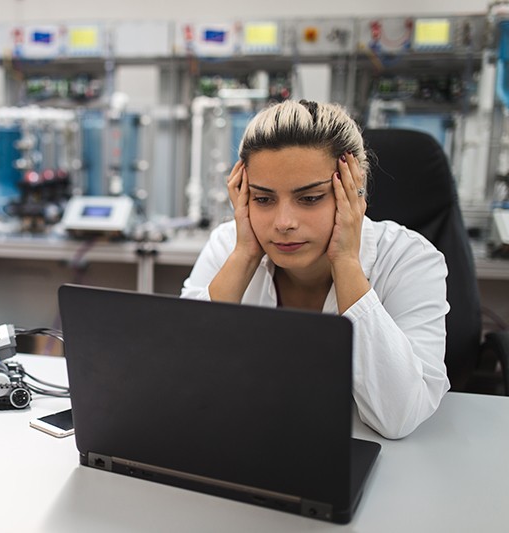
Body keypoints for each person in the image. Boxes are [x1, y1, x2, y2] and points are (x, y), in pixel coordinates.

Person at [181, 100, 450, 439]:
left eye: (309, 198)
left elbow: (399, 417)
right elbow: (181, 379)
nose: (283, 223)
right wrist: (245, 255)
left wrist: (347, 263)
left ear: (354, 188)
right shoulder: (229, 246)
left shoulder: (408, 259)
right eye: (263, 199)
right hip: (252, 442)